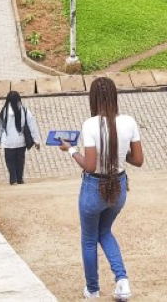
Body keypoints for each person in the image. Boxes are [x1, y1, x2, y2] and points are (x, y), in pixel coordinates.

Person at [60, 76, 144, 301]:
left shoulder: (90, 124)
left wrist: (70, 150)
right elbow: (138, 160)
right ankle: (122, 281)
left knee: (89, 239)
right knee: (105, 232)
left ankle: (93, 289)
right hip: (119, 186)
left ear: (93, 98)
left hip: (94, 187)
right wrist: (117, 150)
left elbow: (89, 165)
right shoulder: (130, 122)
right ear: (114, 96)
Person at [0, 91, 41, 185]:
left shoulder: (3, 112)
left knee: (10, 162)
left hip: (8, 142)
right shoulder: (25, 110)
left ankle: (13, 179)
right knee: (20, 161)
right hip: (21, 141)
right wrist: (37, 141)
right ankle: (20, 179)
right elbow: (32, 126)